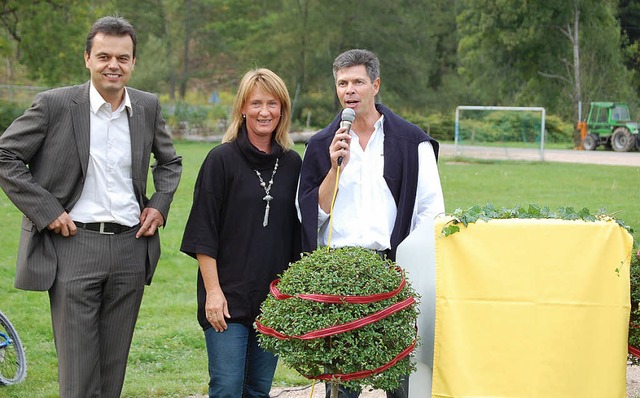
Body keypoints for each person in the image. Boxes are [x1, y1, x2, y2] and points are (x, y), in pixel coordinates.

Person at [0, 16, 182, 398]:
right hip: (74, 246)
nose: (113, 65)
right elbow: (5, 155)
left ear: (133, 62)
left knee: (112, 370)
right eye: (103, 56)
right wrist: (46, 209)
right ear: (87, 58)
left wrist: (160, 204)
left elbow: (169, 162)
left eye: (122, 57)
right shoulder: (55, 104)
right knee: (79, 372)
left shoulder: (147, 106)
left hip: (133, 247)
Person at [297, 49, 445, 398]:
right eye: (342, 83)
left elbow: (430, 210)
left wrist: (408, 266)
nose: (350, 90)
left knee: (396, 378)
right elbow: (310, 216)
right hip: (340, 272)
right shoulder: (321, 145)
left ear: (375, 85)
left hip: (392, 269)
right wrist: (335, 167)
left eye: (358, 82)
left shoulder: (412, 142)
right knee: (343, 382)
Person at [180, 68, 302, 398]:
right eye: (257, 103)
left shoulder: (293, 164)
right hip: (227, 295)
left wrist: (291, 298)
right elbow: (203, 232)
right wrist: (213, 293)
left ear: (283, 110)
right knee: (228, 387)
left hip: (273, 299)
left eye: (273, 104)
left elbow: (300, 230)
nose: (265, 112)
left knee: (258, 390)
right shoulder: (220, 160)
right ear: (243, 109)